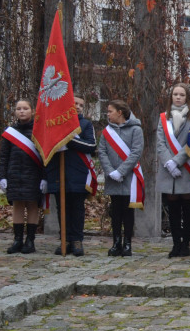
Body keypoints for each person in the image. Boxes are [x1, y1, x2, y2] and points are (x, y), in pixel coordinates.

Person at [45, 98, 97, 256]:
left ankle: (77, 240)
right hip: (57, 172)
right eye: (75, 104)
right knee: (62, 208)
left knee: (77, 208)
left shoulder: (86, 125)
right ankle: (65, 239)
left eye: (81, 105)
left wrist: (70, 140)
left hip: (78, 172)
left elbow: (91, 145)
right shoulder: (55, 124)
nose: (78, 107)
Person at [157, 84, 190, 258]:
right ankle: (176, 244)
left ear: (187, 97)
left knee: (188, 209)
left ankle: (186, 244)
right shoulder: (163, 118)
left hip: (187, 168)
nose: (178, 97)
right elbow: (160, 143)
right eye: (175, 94)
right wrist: (168, 163)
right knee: (173, 210)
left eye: (181, 94)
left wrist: (176, 161)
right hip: (168, 169)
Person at [97, 100, 144, 257]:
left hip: (129, 176)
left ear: (120, 112)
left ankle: (127, 244)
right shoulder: (106, 131)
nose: (108, 114)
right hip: (112, 177)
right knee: (115, 211)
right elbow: (102, 152)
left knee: (127, 211)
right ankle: (116, 242)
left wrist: (121, 171)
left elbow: (136, 152)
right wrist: (110, 171)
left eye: (110, 111)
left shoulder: (136, 130)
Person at [0, 99, 45, 254]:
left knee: (32, 205)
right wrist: (2, 177)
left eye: (25, 108)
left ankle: (30, 241)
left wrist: (45, 177)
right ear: (15, 112)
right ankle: (17, 240)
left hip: (34, 175)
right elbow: (4, 157)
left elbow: (45, 157)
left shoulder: (39, 131)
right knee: (17, 205)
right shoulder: (10, 132)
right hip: (15, 174)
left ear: (32, 111)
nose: (22, 111)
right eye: (19, 108)